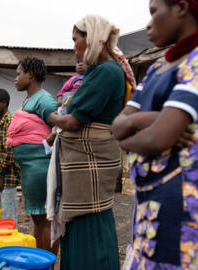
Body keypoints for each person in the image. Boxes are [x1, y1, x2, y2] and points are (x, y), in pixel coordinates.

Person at [112, 0, 198, 268]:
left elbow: (155, 139)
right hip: (149, 199)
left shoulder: (195, 64)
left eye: (153, 11)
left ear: (181, 8)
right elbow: (117, 128)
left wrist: (135, 128)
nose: (148, 23)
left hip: (182, 204)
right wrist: (151, 118)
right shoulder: (158, 69)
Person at [48, 15, 134, 269]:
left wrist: (51, 115)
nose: (74, 46)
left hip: (90, 159)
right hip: (87, 159)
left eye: (76, 40)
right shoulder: (103, 71)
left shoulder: (106, 71)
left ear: (93, 38)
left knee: (89, 217)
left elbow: (73, 121)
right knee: (83, 219)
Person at [7, 57, 57, 254]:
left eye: (19, 74)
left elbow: (59, 128)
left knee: (45, 219)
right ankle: (40, 262)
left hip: (40, 166)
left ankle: (47, 264)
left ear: (31, 74)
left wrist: (45, 146)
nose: (16, 78)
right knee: (37, 217)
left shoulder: (44, 100)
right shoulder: (30, 99)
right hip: (30, 167)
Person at [0, 89, 21, 222]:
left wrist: (0, 175)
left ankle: (10, 242)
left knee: (8, 217)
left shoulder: (10, 122)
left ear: (3, 103)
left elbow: (10, 153)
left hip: (7, 177)